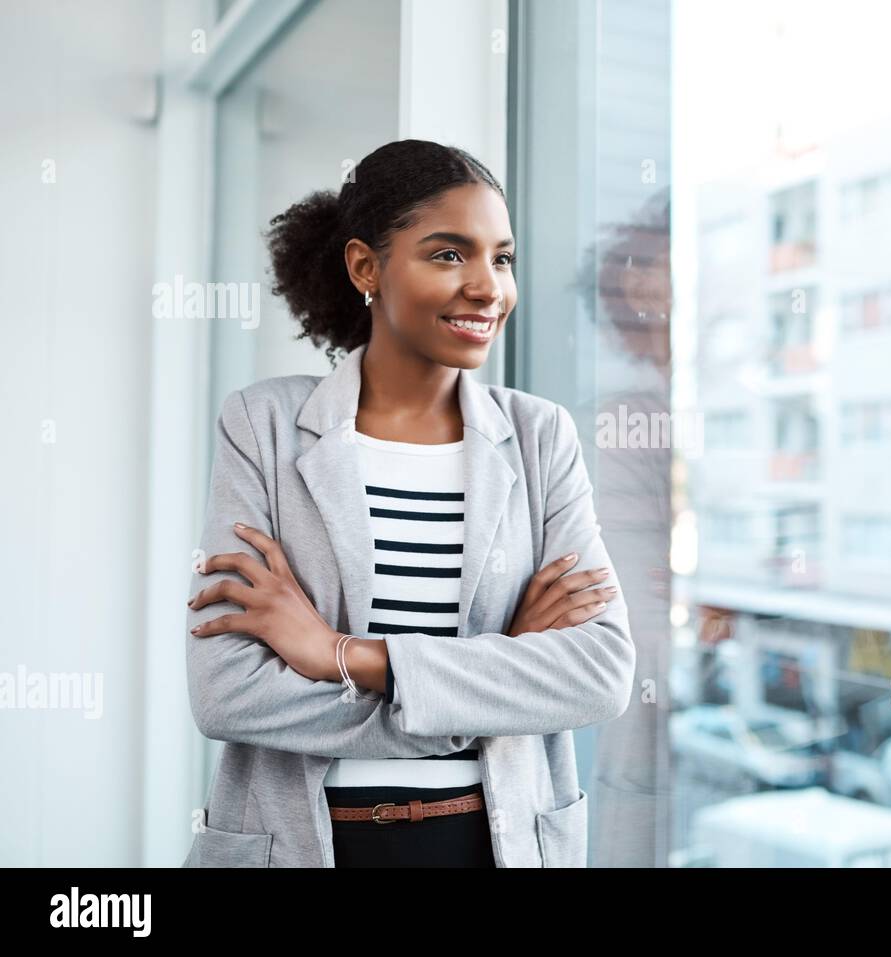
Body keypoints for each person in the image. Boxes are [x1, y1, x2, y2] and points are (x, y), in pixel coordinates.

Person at [182, 139, 636, 867]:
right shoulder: (262, 425)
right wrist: (497, 677)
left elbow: (601, 672)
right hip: (304, 841)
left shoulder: (539, 436)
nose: (488, 287)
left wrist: (345, 655)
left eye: (502, 257)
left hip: (491, 843)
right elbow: (228, 694)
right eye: (450, 255)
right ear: (367, 266)